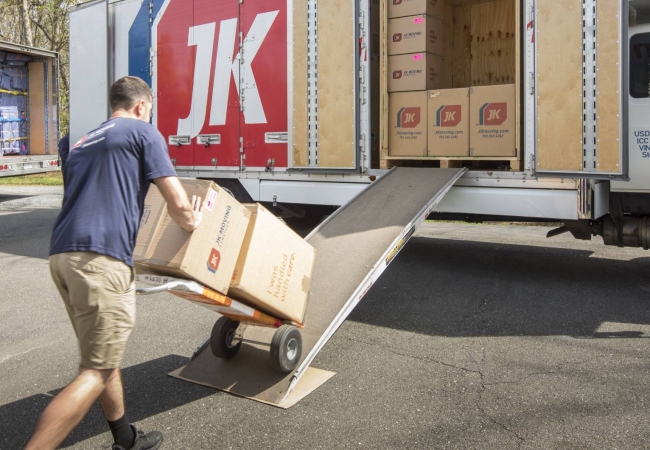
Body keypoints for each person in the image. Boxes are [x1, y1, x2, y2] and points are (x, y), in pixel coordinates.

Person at [25, 76, 203, 450]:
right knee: (95, 370)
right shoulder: (142, 132)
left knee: (102, 355)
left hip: (62, 256)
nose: (148, 115)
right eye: (149, 110)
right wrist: (195, 222)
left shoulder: (84, 142)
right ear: (141, 106)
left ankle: (126, 439)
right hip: (101, 260)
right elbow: (178, 202)